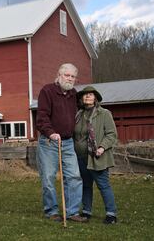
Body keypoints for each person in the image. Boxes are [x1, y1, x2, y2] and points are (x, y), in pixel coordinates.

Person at [36, 63, 87, 223]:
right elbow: (42, 117)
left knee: (74, 177)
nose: (70, 79)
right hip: (49, 142)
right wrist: (51, 133)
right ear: (59, 75)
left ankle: (72, 212)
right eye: (67, 75)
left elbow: (84, 107)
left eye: (73, 76)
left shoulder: (73, 94)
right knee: (49, 177)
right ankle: (51, 211)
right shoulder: (47, 91)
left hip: (68, 142)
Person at [74, 86, 118, 224]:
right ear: (82, 98)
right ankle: (86, 212)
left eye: (90, 94)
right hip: (80, 157)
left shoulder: (104, 113)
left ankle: (111, 214)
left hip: (97, 156)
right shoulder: (78, 114)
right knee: (86, 185)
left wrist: (102, 147)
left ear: (95, 98)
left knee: (103, 185)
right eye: (85, 95)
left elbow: (112, 134)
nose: (87, 96)